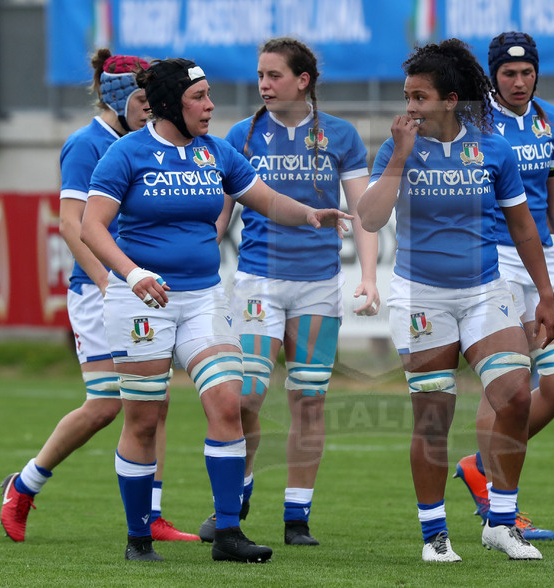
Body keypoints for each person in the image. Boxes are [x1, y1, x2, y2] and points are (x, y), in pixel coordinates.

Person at [80, 57, 353, 562]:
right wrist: (133, 274)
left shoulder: (216, 153)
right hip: (142, 300)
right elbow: (91, 226)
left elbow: (267, 200)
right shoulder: (126, 154)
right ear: (168, 106)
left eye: (209, 96)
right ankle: (138, 537)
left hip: (204, 297)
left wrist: (312, 214)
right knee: (142, 422)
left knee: (229, 402)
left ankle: (228, 533)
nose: (210, 107)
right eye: (198, 98)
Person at [357, 38, 554, 562]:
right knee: (433, 417)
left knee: (515, 396)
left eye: (419, 97)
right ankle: (435, 535)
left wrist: (546, 295)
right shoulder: (397, 146)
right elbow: (371, 219)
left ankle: (502, 521)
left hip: (484, 290)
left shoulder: (493, 147)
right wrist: (399, 156)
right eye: (407, 96)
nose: (409, 108)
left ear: (450, 99)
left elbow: (524, 229)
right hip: (420, 295)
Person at [0, 49, 197, 543]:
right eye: (143, 100)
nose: (151, 109)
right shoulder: (87, 144)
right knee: (107, 404)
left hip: (138, 290)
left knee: (156, 402)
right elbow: (72, 225)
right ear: (118, 99)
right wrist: (110, 283)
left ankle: (150, 514)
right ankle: (24, 485)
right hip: (100, 291)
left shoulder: (143, 143)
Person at [198, 37, 379, 546]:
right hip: (257, 282)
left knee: (308, 400)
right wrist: (200, 263)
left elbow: (363, 215)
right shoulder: (241, 134)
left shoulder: (340, 136)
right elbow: (221, 212)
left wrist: (367, 277)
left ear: (303, 81)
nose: (263, 84)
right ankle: (238, 495)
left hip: (319, 288)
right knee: (247, 397)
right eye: (260, 75)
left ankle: (297, 517)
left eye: (274, 75)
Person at [453, 32, 554, 540]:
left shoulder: (552, 121)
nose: (519, 82)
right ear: (492, 75)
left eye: (526, 73)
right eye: (508, 74)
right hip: (493, 258)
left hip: (542, 260)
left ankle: (482, 465)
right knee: (508, 387)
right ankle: (504, 507)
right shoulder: (472, 121)